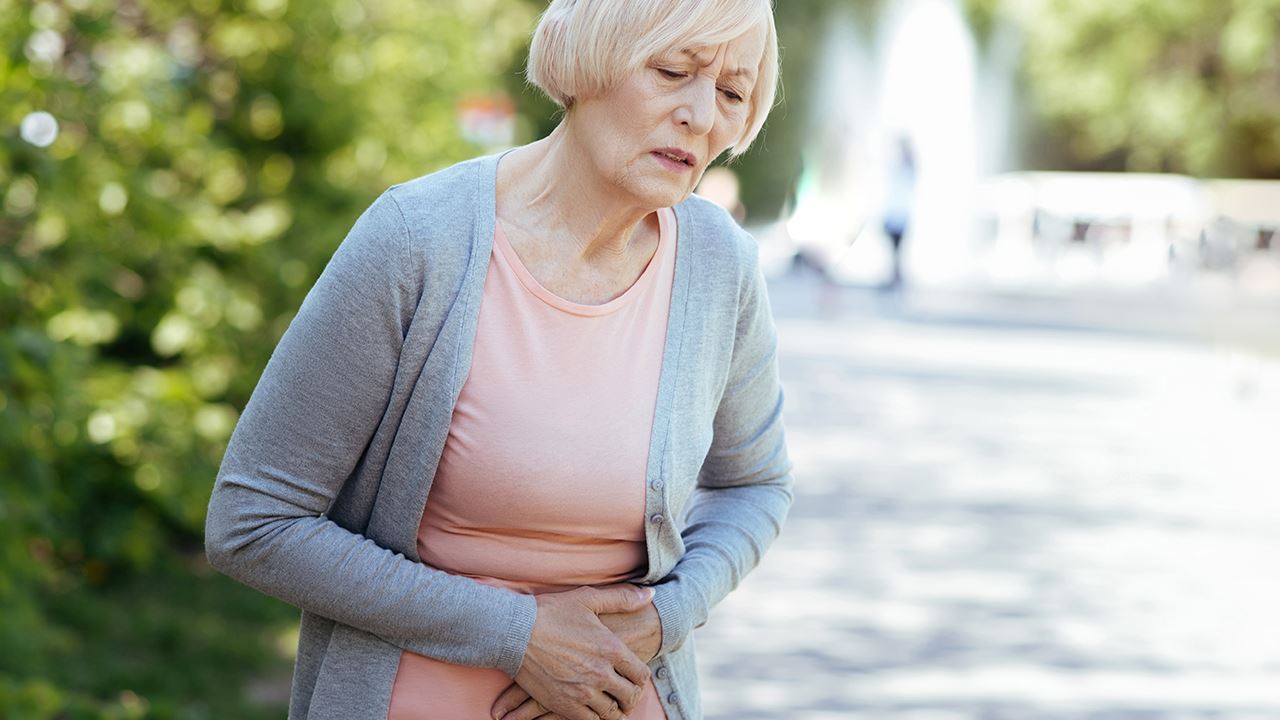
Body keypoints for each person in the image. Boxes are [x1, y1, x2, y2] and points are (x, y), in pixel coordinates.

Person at [203, 1, 792, 719]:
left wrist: (666, 614)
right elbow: (253, 521)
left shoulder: (719, 265)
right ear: (587, 61)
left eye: (733, 92)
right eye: (673, 71)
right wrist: (518, 635)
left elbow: (753, 485)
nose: (703, 116)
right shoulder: (416, 241)